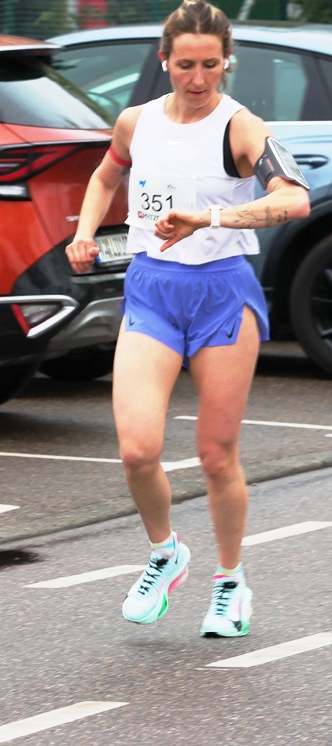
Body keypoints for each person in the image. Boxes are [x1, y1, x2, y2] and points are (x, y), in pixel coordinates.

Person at [65, 0, 309, 638]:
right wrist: (85, 232)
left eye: (210, 65)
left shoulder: (240, 127)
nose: (198, 79)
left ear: (227, 62)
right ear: (163, 61)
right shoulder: (136, 123)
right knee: (137, 449)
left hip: (222, 293)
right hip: (152, 289)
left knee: (216, 454)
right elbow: (104, 177)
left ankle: (230, 583)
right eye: (185, 65)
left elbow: (294, 201)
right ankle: (166, 552)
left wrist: (209, 218)